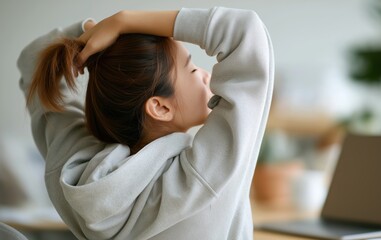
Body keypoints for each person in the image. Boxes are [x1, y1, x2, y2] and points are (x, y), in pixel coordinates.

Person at [18, 6, 274, 240]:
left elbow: (33, 61)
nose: (206, 75)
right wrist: (121, 21)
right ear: (160, 107)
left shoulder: (74, 166)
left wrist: (98, 39)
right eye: (192, 70)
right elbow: (246, 32)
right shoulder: (200, 176)